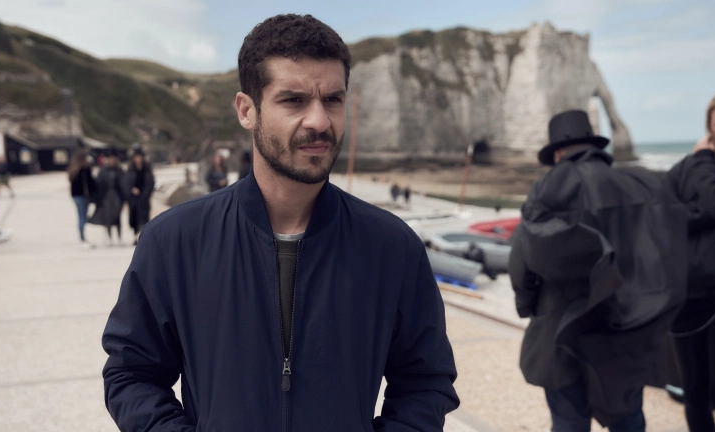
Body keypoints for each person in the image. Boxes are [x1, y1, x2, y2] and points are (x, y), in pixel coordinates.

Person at [102, 14, 459, 431]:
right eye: (294, 100)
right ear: (246, 110)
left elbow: (425, 383)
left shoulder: (392, 247)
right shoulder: (174, 241)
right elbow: (132, 374)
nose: (319, 121)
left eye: (333, 100)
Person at [508, 110, 688, 431]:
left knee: (568, 422)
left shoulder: (547, 188)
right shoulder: (638, 184)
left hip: (560, 329)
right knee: (628, 418)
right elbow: (665, 246)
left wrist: (528, 305)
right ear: (592, 144)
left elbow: (524, 258)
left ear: (557, 153)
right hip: (624, 327)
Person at [666, 92, 715, 432]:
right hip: (688, 297)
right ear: (708, 128)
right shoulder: (686, 169)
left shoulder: (698, 165)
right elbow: (663, 218)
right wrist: (705, 215)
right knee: (695, 392)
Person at [89, 153, 125, 247]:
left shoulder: (119, 170)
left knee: (117, 216)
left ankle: (119, 237)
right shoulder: (103, 171)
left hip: (117, 195)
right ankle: (109, 237)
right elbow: (98, 183)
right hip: (106, 196)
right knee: (108, 216)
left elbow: (124, 183)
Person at [123, 148, 154, 245]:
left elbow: (150, 183)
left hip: (144, 198)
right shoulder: (130, 170)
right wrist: (131, 189)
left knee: (144, 218)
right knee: (134, 218)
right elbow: (126, 183)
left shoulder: (147, 170)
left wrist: (145, 193)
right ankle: (135, 235)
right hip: (133, 199)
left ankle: (143, 236)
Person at [68, 151, 97, 248]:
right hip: (83, 196)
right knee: (83, 216)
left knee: (80, 216)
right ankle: (82, 237)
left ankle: (81, 236)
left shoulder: (73, 169)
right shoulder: (84, 169)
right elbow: (90, 183)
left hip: (75, 196)